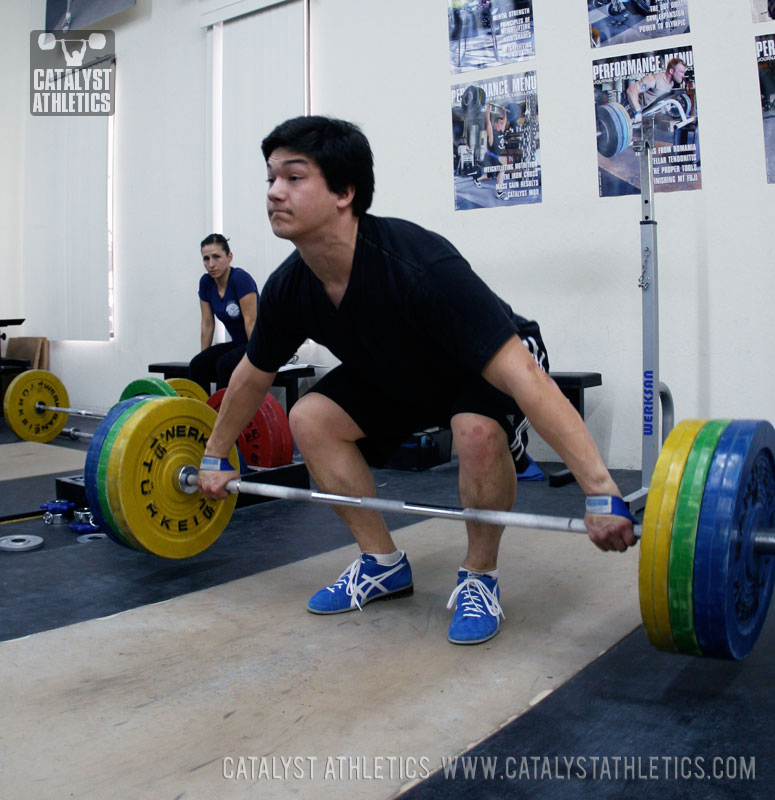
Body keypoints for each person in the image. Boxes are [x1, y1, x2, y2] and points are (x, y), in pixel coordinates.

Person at [197, 116, 636, 646]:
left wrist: (600, 490)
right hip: (397, 372)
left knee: (476, 432)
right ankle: (382, 563)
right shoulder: (290, 286)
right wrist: (216, 455)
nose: (273, 193)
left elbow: (524, 376)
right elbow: (252, 373)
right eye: (270, 178)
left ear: (345, 192)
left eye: (293, 177)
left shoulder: (418, 266)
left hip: (478, 366)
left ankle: (479, 577)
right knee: (310, 417)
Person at [188, 233, 258, 394]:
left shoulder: (240, 279)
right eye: (206, 259)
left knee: (225, 364)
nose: (211, 264)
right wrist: (204, 357)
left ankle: (223, 415)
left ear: (229, 257)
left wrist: (255, 358)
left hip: (258, 342)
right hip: (239, 343)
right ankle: (202, 415)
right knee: (197, 364)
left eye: (216, 257)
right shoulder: (206, 283)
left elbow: (251, 321)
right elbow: (207, 323)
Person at [626, 58, 688, 125]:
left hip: (642, 115)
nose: (683, 75)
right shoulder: (653, 80)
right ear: (671, 71)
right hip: (629, 110)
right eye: (681, 72)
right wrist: (637, 111)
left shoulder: (671, 84)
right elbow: (631, 90)